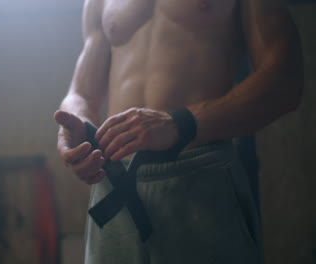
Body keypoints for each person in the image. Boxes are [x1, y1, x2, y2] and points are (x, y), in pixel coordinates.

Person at [54, 0, 303, 263]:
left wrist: (181, 122)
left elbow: (286, 79)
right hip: (114, 183)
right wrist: (77, 123)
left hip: (199, 183)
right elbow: (81, 93)